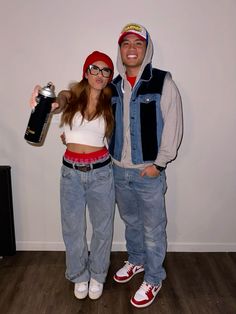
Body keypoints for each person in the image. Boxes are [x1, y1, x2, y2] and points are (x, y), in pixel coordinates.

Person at [29, 51, 115, 300]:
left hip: (101, 172)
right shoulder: (72, 97)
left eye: (105, 70)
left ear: (110, 76)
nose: (99, 74)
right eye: (94, 69)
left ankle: (98, 274)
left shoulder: (112, 102)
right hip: (71, 173)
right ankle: (79, 274)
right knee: (73, 229)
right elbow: (63, 98)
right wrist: (52, 103)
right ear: (86, 72)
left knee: (102, 228)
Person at [109, 23, 183, 308]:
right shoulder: (113, 85)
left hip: (147, 172)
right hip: (118, 170)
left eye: (137, 43)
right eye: (126, 43)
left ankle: (154, 277)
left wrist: (159, 164)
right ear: (120, 49)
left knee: (153, 228)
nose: (131, 48)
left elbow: (173, 126)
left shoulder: (163, 82)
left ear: (146, 48)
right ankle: (137, 261)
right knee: (131, 223)